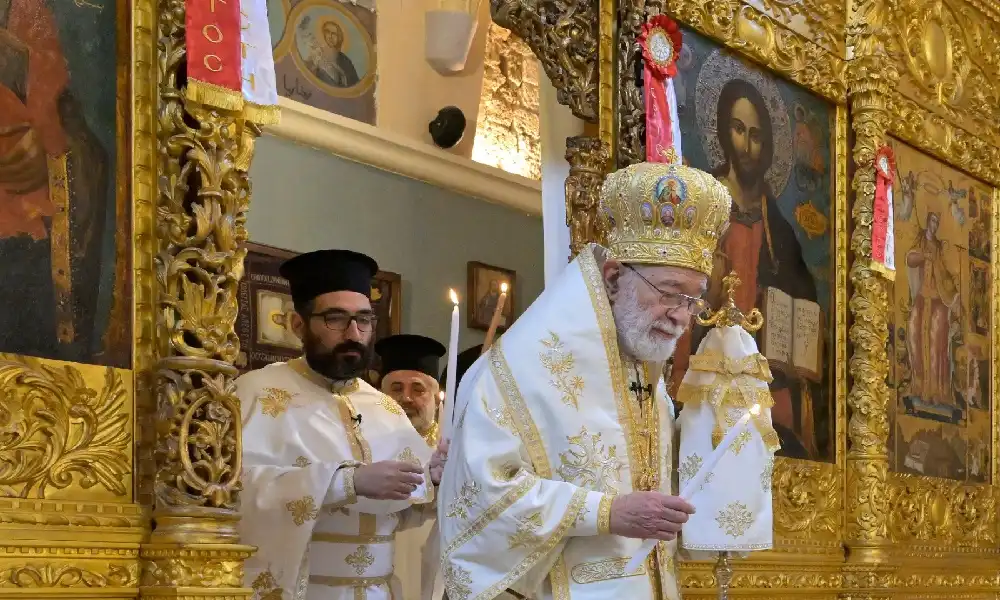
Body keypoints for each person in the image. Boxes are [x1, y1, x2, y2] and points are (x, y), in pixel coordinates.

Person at [438, 162, 731, 600]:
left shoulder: (644, 372)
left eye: (692, 300)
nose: (681, 317)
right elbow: (482, 495)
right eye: (669, 293)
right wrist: (606, 512)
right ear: (613, 278)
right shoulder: (520, 368)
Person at [237, 249, 447, 600]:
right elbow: (230, 492)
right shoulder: (254, 393)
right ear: (298, 325)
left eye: (364, 320)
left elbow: (398, 516)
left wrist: (432, 483)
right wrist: (344, 482)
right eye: (336, 319)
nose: (353, 333)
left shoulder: (384, 407)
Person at [673, 78, 818, 459]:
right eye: (739, 130)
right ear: (723, 131)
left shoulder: (778, 227)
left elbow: (804, 300)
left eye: (756, 135)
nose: (748, 146)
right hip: (711, 369)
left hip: (766, 381)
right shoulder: (707, 208)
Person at [376, 334, 447, 447]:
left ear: (437, 400)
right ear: (379, 396)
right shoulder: (363, 446)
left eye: (418, 390)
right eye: (397, 389)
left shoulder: (451, 450)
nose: (406, 398)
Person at [306, 20, 361, 88]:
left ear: (339, 37)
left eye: (334, 34)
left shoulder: (345, 60)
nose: (330, 36)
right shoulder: (317, 53)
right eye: (327, 32)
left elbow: (354, 84)